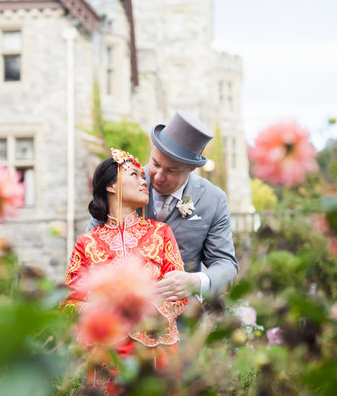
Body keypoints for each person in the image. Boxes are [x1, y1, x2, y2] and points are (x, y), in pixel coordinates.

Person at [65, 149, 188, 395]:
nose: (145, 181)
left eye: (143, 176)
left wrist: (145, 312)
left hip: (155, 352)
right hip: (106, 355)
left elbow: (179, 294)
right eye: (134, 174)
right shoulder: (86, 243)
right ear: (111, 186)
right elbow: (70, 303)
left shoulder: (160, 234)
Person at [88, 110, 239, 300]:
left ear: (191, 168)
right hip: (120, 315)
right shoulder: (120, 185)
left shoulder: (214, 200)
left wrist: (195, 282)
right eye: (155, 163)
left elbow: (226, 265)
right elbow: (87, 251)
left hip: (181, 322)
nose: (158, 175)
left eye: (171, 170)